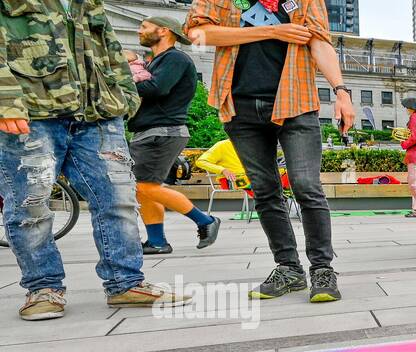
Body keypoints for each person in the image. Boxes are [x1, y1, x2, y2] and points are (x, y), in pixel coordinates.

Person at [0, 0, 189, 320]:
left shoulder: (87, 3)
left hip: (99, 115)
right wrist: (5, 100)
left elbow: (111, 49)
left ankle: (125, 282)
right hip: (32, 115)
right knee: (29, 206)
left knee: (118, 199)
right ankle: (43, 287)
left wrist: (125, 97)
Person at [186, 0, 355, 302]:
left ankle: (322, 269)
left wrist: (341, 90)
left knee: (306, 186)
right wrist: (272, 31)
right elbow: (199, 34)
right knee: (264, 190)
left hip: (296, 100)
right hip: (239, 105)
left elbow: (319, 41)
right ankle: (288, 269)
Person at [132, 16, 219, 255]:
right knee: (145, 187)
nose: (140, 31)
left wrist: (120, 83)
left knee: (142, 186)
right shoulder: (157, 61)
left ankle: (205, 221)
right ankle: (157, 242)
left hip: (163, 131)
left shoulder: (175, 58)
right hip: (151, 131)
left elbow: (157, 88)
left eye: (144, 26)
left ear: (164, 30)